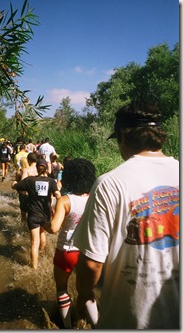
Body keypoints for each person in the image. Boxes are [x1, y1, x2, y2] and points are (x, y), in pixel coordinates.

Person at [72, 100, 179, 329]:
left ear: (122, 136)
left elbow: (92, 264)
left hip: (129, 319)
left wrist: (83, 294)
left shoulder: (110, 183)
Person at [44, 158, 97, 329]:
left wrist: (43, 222)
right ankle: (98, 324)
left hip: (66, 251)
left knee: (61, 288)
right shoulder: (95, 199)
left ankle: (66, 326)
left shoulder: (65, 200)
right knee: (87, 291)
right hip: (88, 251)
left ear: (69, 177)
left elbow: (53, 228)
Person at [11, 158, 61, 269]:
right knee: (42, 233)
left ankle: (34, 267)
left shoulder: (29, 180)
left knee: (34, 242)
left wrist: (13, 183)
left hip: (33, 214)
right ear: (46, 169)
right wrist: (59, 209)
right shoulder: (51, 181)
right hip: (46, 214)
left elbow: (16, 186)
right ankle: (42, 254)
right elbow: (58, 195)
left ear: (36, 167)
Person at [15, 156, 30, 224]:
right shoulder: (31, 171)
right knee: (31, 212)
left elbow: (17, 183)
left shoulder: (19, 172)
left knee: (23, 213)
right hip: (31, 194)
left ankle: (23, 228)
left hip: (22, 194)